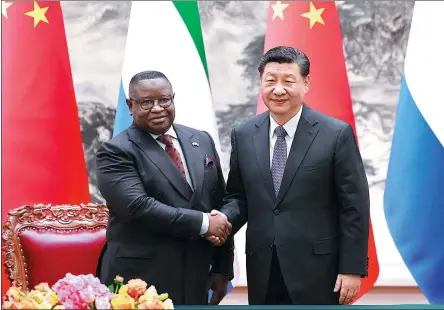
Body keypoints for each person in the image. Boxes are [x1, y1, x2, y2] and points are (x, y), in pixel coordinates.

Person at [218, 46, 370, 305]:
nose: (278, 89)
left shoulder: (335, 134)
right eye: (270, 81)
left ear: (306, 83)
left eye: (288, 81)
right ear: (261, 84)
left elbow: (354, 206)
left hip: (319, 271)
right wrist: (222, 218)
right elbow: (239, 196)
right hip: (263, 268)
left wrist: (352, 268)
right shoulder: (243, 134)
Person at [95, 70, 234, 305]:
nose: (158, 108)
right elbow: (138, 207)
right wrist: (203, 223)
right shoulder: (116, 151)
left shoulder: (201, 140)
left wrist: (222, 268)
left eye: (164, 100)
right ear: (130, 105)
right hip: (139, 282)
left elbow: (219, 205)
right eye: (146, 102)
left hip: (196, 276)